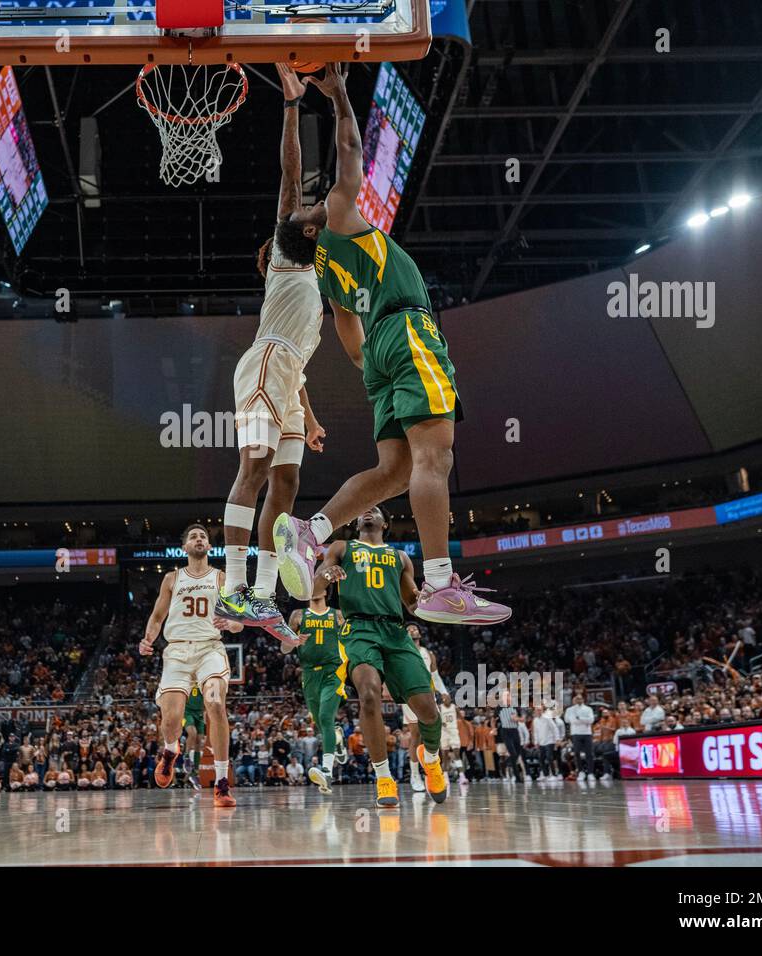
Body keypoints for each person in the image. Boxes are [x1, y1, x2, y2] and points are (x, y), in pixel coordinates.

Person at [271, 62, 511, 629]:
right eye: (308, 209)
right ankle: (439, 584)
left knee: (395, 472)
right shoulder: (334, 217)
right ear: (310, 229)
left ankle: (312, 532)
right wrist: (341, 97)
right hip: (406, 331)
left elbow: (348, 339)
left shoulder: (326, 271)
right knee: (436, 457)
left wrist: (381, 369)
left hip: (381, 349)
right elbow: (351, 149)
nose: (315, 199)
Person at [215, 63, 326, 640]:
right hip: (264, 363)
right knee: (254, 468)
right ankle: (232, 589)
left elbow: (302, 372)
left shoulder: (315, 274)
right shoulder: (286, 258)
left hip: (289, 379)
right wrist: (291, 105)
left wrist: (307, 416)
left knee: (286, 484)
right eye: (304, 215)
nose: (310, 212)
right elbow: (292, 174)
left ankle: (261, 594)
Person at [314, 504, 447, 808]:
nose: (367, 512)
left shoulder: (399, 557)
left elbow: (412, 603)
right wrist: (326, 573)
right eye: (362, 509)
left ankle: (431, 759)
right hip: (359, 629)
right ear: (357, 521)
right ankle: (384, 778)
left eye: (375, 509)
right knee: (370, 695)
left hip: (395, 632)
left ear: (386, 523)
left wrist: (426, 599)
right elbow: (316, 584)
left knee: (429, 710)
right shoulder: (341, 546)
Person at [140, 524, 251, 808]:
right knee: (171, 720)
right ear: (184, 547)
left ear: (209, 547)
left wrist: (232, 623)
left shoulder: (222, 577)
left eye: (203, 536)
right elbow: (157, 616)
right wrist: (148, 639)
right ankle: (170, 750)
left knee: (215, 704)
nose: (199, 539)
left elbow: (240, 621)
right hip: (176, 650)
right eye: (193, 536)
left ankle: (222, 783)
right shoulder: (171, 579)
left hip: (209, 649)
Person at [284, 579, 349, 794]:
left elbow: (351, 639)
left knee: (325, 716)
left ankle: (327, 772)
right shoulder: (298, 615)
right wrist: (292, 640)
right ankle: (337, 740)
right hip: (309, 673)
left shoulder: (338, 614)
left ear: (326, 590)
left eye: (318, 584)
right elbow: (284, 648)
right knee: (321, 721)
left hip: (333, 671)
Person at [401, 624, 449, 792]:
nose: (413, 630)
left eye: (415, 628)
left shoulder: (429, 654)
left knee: (433, 733)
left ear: (420, 633)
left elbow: (435, 676)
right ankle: (415, 775)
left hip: (428, 695)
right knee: (416, 735)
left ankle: (432, 771)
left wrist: (443, 692)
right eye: (409, 629)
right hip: (409, 696)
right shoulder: (402, 651)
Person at [563, 692, 596, 781]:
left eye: (580, 698)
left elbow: (591, 720)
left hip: (587, 733)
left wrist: (579, 719)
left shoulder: (588, 709)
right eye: (577, 699)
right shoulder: (569, 709)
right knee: (576, 753)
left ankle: (590, 773)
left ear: (583, 699)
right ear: (574, 700)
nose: (578, 700)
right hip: (575, 733)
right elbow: (567, 720)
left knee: (589, 753)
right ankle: (580, 772)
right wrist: (583, 720)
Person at [181, 682, 206, 790]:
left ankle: (195, 772)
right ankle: (186, 757)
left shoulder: (204, 683)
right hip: (186, 712)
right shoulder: (186, 680)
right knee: (192, 733)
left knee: (199, 742)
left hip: (199, 714)